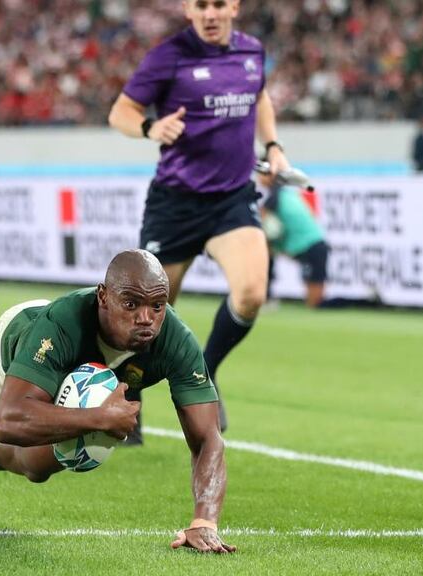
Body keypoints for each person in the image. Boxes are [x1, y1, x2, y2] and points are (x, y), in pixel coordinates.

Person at [0, 250, 234, 553]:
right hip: (23, 339)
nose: (146, 319)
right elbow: (8, 420)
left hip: (79, 377)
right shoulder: (62, 323)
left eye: (157, 306)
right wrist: (100, 418)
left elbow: (207, 439)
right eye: (131, 304)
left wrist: (205, 522)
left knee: (36, 467)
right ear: (103, 296)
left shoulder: (176, 341)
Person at [108, 0, 291, 436]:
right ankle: (126, 394)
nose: (211, 13)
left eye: (219, 4)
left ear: (235, 6)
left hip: (231, 199)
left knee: (251, 293)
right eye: (201, 4)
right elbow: (121, 113)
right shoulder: (167, 56)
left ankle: (203, 372)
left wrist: (273, 147)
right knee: (147, 315)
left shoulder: (250, 52)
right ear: (188, 8)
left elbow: (260, 97)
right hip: (176, 203)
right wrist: (152, 128)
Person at [257, 169, 328, 308]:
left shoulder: (275, 198)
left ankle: (358, 303)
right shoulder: (285, 194)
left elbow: (261, 225)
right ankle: (266, 296)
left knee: (315, 303)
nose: (258, 178)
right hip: (314, 246)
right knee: (266, 250)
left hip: (312, 248)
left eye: (261, 174)